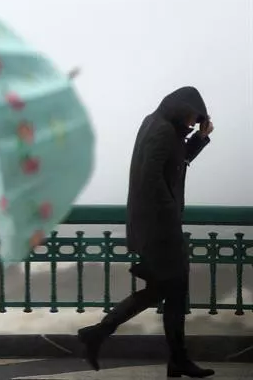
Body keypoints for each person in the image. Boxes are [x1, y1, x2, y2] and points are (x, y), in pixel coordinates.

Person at [77, 86, 215, 379]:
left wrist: (200, 139)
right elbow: (150, 178)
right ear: (181, 108)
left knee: (165, 291)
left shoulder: (160, 126)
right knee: (172, 290)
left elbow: (176, 160)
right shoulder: (162, 130)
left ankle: (101, 334)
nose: (192, 123)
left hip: (156, 228)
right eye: (192, 117)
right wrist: (169, 216)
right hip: (159, 230)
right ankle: (104, 334)